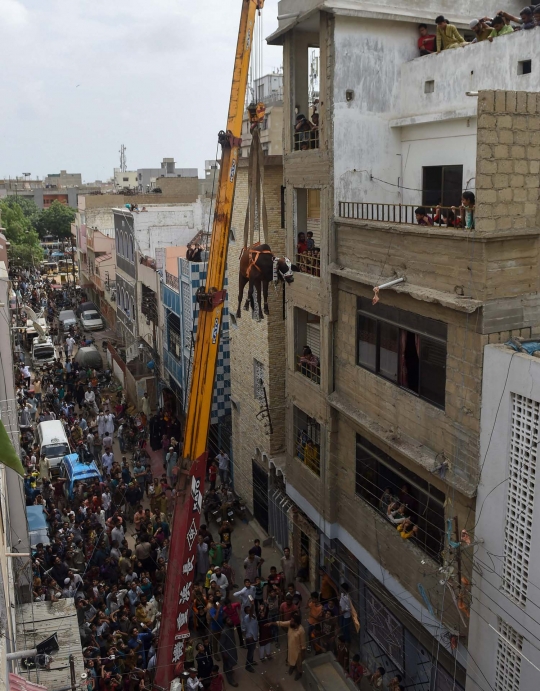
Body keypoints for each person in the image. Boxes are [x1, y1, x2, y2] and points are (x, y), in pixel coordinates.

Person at [276, 614, 306, 681]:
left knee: (299, 663)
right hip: (290, 647)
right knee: (291, 659)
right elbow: (281, 623)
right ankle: (292, 667)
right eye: (291, 620)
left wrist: (303, 655)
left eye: (292, 621)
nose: (290, 622)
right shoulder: (290, 624)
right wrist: (272, 623)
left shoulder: (301, 631)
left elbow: (303, 645)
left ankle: (299, 673)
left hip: (298, 651)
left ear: (296, 623)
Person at [219, 617, 239, 687]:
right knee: (228, 665)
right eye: (228, 620)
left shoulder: (231, 628)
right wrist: (224, 653)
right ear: (225, 623)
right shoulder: (224, 632)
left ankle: (226, 670)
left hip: (232, 648)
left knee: (229, 663)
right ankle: (230, 680)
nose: (230, 620)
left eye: (230, 619)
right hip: (227, 651)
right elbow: (221, 644)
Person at [243, 602, 259, 673]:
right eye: (248, 610)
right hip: (250, 638)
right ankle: (248, 666)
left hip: (254, 637)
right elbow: (251, 612)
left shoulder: (253, 616)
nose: (250, 611)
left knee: (252, 651)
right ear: (246, 612)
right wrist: (252, 604)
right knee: (250, 652)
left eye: (250, 609)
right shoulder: (247, 617)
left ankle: (251, 661)